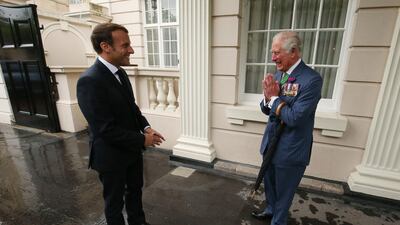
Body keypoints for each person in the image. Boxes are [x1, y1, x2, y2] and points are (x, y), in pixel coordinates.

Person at [77, 23, 164, 225]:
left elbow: (131, 107)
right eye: (125, 45)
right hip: (110, 156)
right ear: (106, 46)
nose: (131, 50)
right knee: (114, 204)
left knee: (135, 193)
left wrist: (145, 127)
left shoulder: (120, 72)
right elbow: (104, 129)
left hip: (132, 150)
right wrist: (143, 140)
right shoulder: (89, 80)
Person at [251, 31, 322, 225]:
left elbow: (295, 118)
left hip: (291, 150)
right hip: (271, 145)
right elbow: (268, 111)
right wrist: (267, 98)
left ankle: (278, 221)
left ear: (293, 52)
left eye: (276, 53)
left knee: (284, 192)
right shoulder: (279, 74)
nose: (273, 58)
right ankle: (271, 210)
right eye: (272, 53)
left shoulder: (311, 80)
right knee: (271, 185)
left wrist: (274, 98)